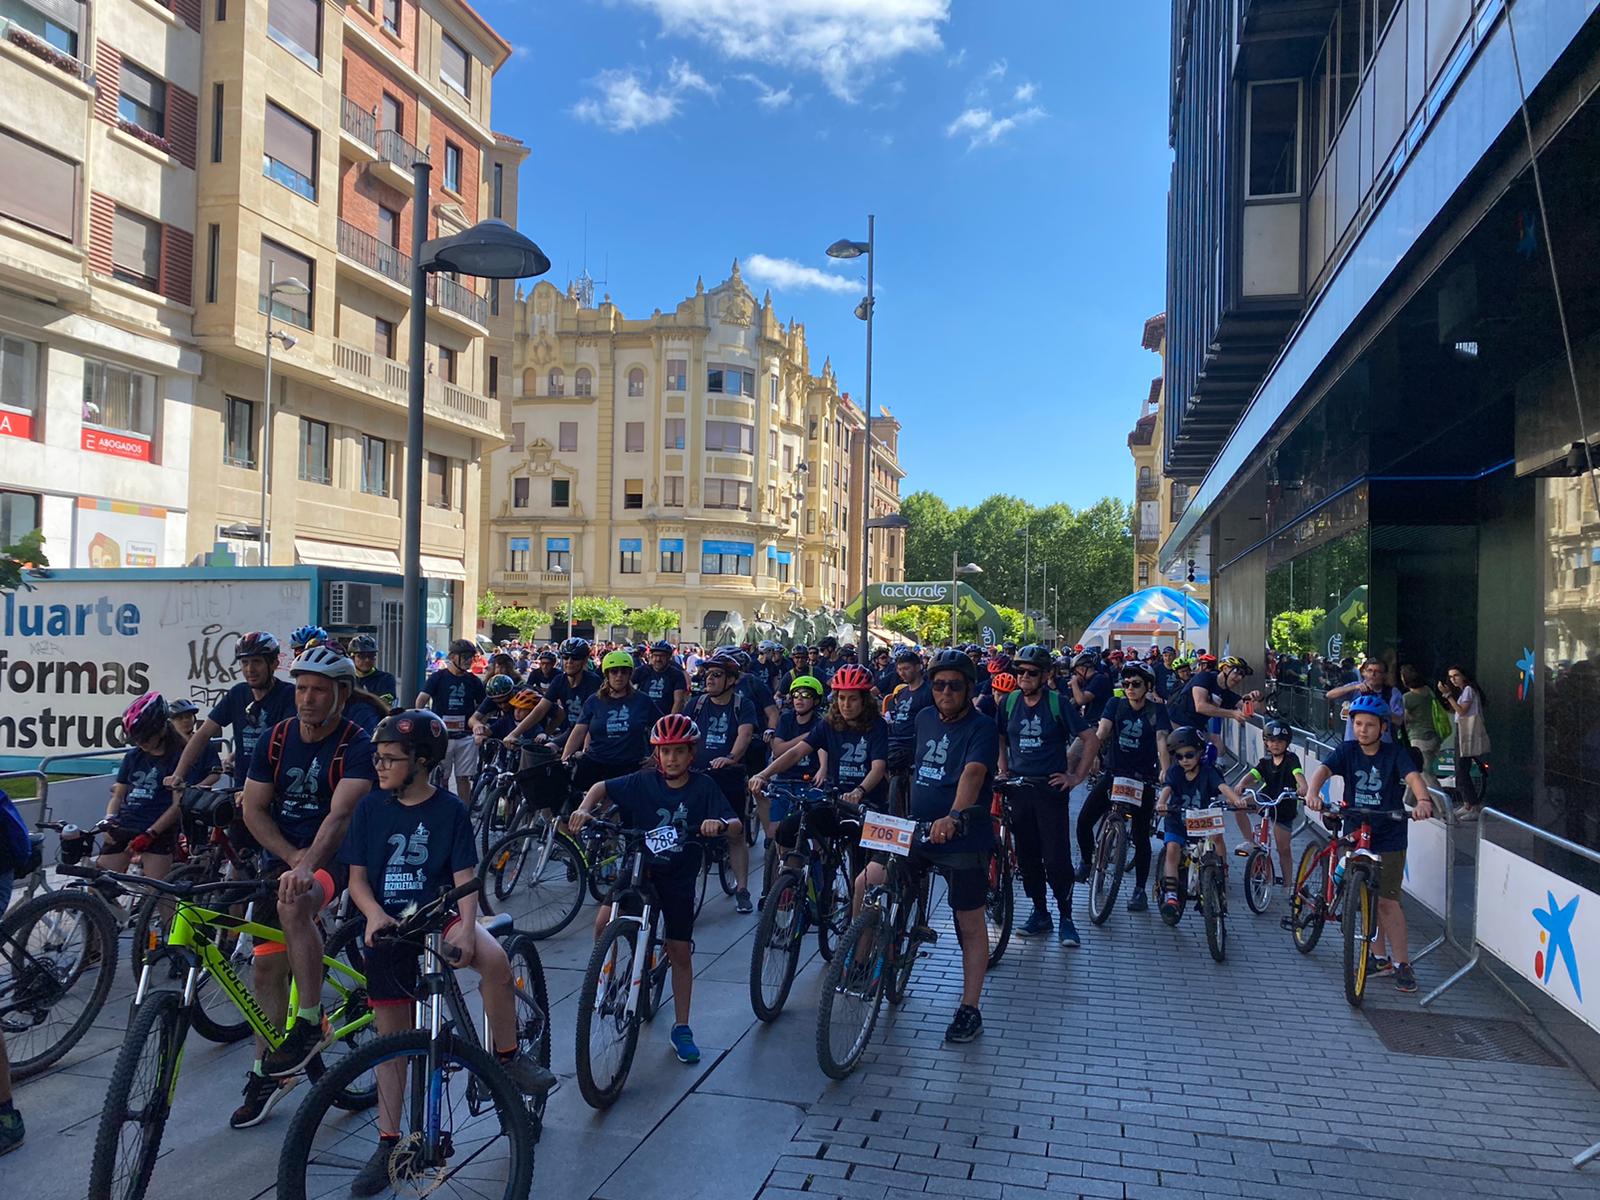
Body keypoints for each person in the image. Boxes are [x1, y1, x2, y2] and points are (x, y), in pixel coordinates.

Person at [343, 709, 553, 1195]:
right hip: (390, 926)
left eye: (390, 759)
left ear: (421, 762)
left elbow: (465, 882)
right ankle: (389, 1139)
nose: (380, 766)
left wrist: (463, 929)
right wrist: (374, 915)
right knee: (389, 1040)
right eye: (377, 758)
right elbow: (357, 880)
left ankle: (507, 1056)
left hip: (443, 916)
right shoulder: (371, 809)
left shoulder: (450, 811)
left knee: (496, 960)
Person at [235, 647, 377, 1128]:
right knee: (265, 972)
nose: (307, 699)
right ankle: (269, 1072)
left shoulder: (356, 743)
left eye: (318, 690)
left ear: (341, 694)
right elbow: (253, 809)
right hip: (285, 857)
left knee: (296, 905)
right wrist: (291, 858)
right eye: (300, 689)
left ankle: (311, 1020)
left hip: (336, 856)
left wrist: (306, 865)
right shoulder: (275, 739)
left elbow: (340, 818)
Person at [568, 714, 740, 1064]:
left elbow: (736, 825)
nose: (672, 758)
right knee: (603, 922)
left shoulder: (704, 787)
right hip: (639, 868)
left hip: (678, 874)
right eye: (665, 752)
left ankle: (681, 1026)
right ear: (656, 755)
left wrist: (718, 824)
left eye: (679, 751)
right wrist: (585, 809)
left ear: (692, 754)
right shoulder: (642, 782)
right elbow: (601, 787)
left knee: (679, 950)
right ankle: (607, 976)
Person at [858, 649, 996, 1044]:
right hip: (916, 829)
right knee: (866, 882)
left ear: (969, 688)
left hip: (961, 833)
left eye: (954, 685)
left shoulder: (982, 727)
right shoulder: (921, 718)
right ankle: (860, 965)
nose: (945, 691)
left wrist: (953, 816)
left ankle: (970, 1008)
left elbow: (972, 773)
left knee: (968, 923)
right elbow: (902, 757)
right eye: (939, 685)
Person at [1302, 694, 1434, 992]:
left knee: (1387, 900)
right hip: (1355, 825)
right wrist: (1313, 791)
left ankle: (1400, 963)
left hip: (1389, 831)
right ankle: (1377, 957)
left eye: (1370, 725)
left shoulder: (1396, 754)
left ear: (1383, 728)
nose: (1362, 729)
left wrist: (1423, 800)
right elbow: (1323, 770)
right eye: (1358, 723)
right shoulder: (1347, 750)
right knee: (1360, 896)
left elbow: (1413, 777)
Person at [997, 645, 1096, 947]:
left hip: (1049, 791)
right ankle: (1040, 913)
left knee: (1056, 858)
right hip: (1019, 789)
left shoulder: (1058, 703)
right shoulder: (1009, 702)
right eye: (1019, 672)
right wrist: (1003, 769)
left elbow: (1090, 738)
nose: (1023, 677)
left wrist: (1076, 777)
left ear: (1045, 675)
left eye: (1031, 673)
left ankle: (1066, 917)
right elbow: (1000, 736)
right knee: (1027, 858)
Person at [751, 665, 888, 851]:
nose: (846, 705)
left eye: (853, 699)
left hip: (865, 803)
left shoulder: (877, 726)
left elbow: (878, 767)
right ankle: (797, 875)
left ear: (865, 701)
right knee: (786, 831)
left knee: (862, 870)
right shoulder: (829, 724)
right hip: (833, 800)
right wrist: (764, 774)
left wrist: (859, 791)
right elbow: (796, 752)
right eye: (841, 698)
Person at [1076, 661, 1172, 912]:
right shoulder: (1115, 704)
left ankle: (1139, 890)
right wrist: (1093, 756)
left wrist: (1165, 769)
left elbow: (1162, 740)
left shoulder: (1156, 710)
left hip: (1143, 778)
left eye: (1136, 684)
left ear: (1148, 686)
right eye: (1126, 683)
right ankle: (1087, 862)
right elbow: (1102, 731)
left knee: (1141, 837)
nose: (1129, 688)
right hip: (1114, 773)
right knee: (1084, 821)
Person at [168, 631, 297, 789]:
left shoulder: (288, 695)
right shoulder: (237, 694)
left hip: (275, 786)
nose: (250, 669)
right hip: (241, 786)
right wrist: (178, 774)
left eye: (257, 662)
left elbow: (287, 743)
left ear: (274, 664)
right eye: (244, 662)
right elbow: (203, 734)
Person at [684, 652, 759, 912]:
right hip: (696, 776)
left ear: (731, 680)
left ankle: (742, 889)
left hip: (728, 777)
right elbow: (682, 732)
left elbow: (745, 734)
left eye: (716, 675)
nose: (709, 679)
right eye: (707, 674)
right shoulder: (696, 704)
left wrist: (730, 757)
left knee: (734, 833)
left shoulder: (742, 705)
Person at [1154, 725, 1244, 922]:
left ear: (1200, 752)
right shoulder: (1175, 772)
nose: (1184, 760)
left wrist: (1235, 799)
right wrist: (1161, 803)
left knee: (1217, 838)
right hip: (1178, 819)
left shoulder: (1209, 771)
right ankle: (1171, 897)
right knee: (1172, 850)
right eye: (1179, 756)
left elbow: (1222, 787)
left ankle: (1220, 872)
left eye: (1189, 755)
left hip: (1203, 820)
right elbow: (1167, 789)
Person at [99, 694, 186, 882]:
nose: (139, 743)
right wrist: (109, 818)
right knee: (99, 883)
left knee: (157, 891)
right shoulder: (133, 757)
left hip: (158, 829)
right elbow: (118, 794)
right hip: (127, 823)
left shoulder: (177, 759)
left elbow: (177, 806)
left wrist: (151, 833)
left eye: (144, 738)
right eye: (135, 739)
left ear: (161, 730)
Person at [561, 650, 658, 792]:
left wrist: (655, 757)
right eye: (614, 671)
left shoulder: (643, 700)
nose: (619, 676)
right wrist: (564, 759)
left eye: (624, 672)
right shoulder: (594, 701)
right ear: (607, 675)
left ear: (630, 675)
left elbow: (664, 728)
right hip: (596, 763)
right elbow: (578, 732)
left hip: (629, 766)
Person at [414, 639, 487, 800]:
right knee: (441, 777)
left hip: (466, 736)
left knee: (463, 778)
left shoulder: (474, 681)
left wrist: (479, 724)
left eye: (471, 657)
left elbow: (484, 706)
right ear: (453, 657)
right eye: (465, 656)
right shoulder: (437, 677)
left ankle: (464, 812)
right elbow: (421, 701)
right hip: (441, 736)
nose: (469, 661)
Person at [756, 674, 822, 847]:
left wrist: (823, 769)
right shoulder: (786, 718)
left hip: (809, 781)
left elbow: (823, 751)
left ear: (816, 700)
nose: (799, 699)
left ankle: (819, 865)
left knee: (816, 834)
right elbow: (778, 749)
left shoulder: (820, 723)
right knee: (774, 834)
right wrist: (809, 737)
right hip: (784, 779)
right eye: (795, 695)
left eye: (806, 695)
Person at [1236, 719, 1303, 886]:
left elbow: (1298, 775)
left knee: (1283, 850)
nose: (1275, 745)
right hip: (1266, 798)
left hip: (1284, 804)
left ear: (1287, 743)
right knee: (1240, 806)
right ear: (1266, 742)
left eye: (1280, 741)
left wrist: (1303, 786)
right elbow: (1253, 774)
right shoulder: (1265, 761)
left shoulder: (1291, 759)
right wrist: (1242, 784)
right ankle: (1250, 842)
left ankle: (1288, 885)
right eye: (1271, 741)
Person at [882, 648, 933, 814]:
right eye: (899, 669)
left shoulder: (928, 691)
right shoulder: (902, 693)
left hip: (916, 742)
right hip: (895, 740)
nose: (902, 673)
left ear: (918, 667)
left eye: (906, 668)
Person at [1438, 664, 1490, 816]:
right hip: (1462, 730)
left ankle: (1473, 805)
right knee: (1460, 768)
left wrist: (1448, 695)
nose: (1453, 679)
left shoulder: (1468, 690)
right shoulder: (1465, 691)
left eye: (1456, 676)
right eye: (1451, 677)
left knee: (1462, 769)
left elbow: (1461, 711)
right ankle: (1467, 804)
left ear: (1464, 676)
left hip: (1466, 732)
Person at [1327, 657, 1406, 743]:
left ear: (1384, 675)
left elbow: (1399, 720)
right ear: (1364, 673)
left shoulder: (1392, 692)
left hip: (1381, 746)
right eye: (1370, 671)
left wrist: (1379, 708)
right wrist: (1354, 687)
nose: (1373, 674)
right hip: (1354, 743)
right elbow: (1330, 695)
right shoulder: (1356, 687)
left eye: (1378, 672)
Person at [1399, 664, 1443, 781]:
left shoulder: (1407, 697)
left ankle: (1441, 799)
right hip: (1434, 735)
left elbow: (1406, 718)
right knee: (1415, 773)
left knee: (1425, 774)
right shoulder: (1428, 691)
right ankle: (1407, 800)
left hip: (1419, 737)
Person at [167, 699, 223, 786]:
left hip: (198, 794)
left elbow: (215, 773)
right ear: (170, 722)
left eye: (188, 716)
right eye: (180, 718)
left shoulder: (204, 743)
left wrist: (196, 789)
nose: (185, 721)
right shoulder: (166, 745)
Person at [634, 640, 688, 717]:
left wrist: (670, 721)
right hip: (643, 717)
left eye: (662, 656)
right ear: (651, 656)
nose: (658, 659)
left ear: (669, 657)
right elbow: (626, 684)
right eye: (655, 655)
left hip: (665, 718)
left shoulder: (676, 675)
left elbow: (679, 701)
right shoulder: (642, 671)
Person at [469, 673, 521, 743]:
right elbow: (472, 719)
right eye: (499, 703)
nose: (503, 705)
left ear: (512, 694)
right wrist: (477, 725)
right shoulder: (492, 697)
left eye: (506, 701)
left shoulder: (520, 696)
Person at [347, 634, 397, 704]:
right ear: (352, 658)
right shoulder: (347, 679)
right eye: (362, 656)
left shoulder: (385, 679)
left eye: (371, 656)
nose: (367, 660)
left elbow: (385, 704)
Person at [1066, 652, 1112, 726]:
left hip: (1097, 724)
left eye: (1076, 673)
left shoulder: (1099, 679)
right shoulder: (1088, 682)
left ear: (1082, 669)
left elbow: (1081, 700)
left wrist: (1074, 682)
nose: (1076, 676)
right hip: (1088, 722)